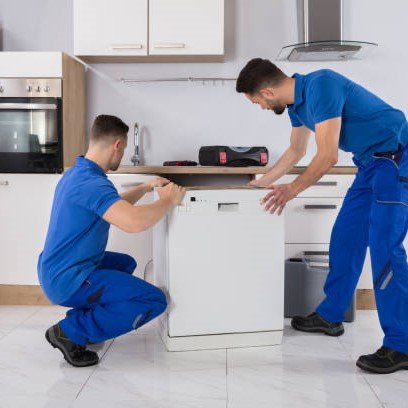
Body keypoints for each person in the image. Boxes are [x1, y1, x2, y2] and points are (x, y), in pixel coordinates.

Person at [236, 58, 408, 374]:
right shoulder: (297, 106)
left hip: (398, 157)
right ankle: (330, 316)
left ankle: (401, 345)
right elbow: (295, 151)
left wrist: (291, 190)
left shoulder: (322, 84)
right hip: (371, 163)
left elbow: (327, 155)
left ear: (268, 91)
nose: (259, 106)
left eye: (256, 100)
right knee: (345, 238)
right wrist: (266, 180)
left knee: (385, 249)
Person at [38, 114, 186, 367]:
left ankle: (87, 318)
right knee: (152, 300)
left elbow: (113, 206)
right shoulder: (92, 184)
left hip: (57, 269)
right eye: (124, 149)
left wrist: (145, 187)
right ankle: (69, 331)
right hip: (67, 279)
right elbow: (133, 222)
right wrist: (168, 200)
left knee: (124, 264)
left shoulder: (79, 174)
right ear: (117, 144)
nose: (123, 155)